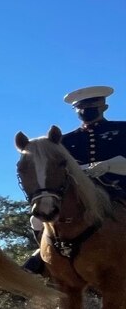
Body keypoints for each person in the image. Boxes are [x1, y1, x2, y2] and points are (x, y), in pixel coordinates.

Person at [24, 85, 126, 274]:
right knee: (37, 220)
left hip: (119, 191)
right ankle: (44, 256)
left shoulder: (122, 130)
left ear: (104, 106)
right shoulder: (65, 141)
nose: (85, 110)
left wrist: (110, 165)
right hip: (81, 195)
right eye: (80, 107)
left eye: (92, 105)